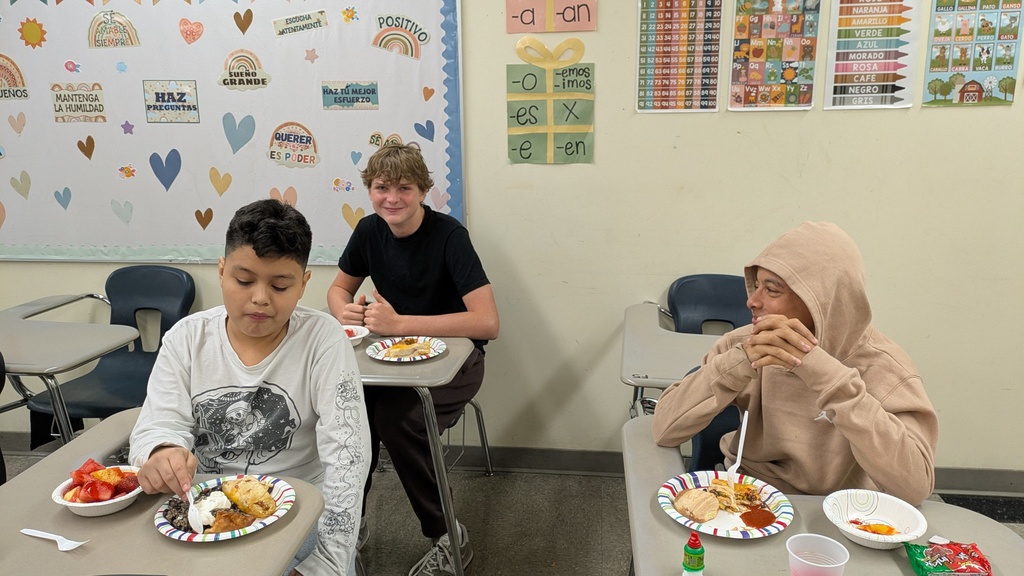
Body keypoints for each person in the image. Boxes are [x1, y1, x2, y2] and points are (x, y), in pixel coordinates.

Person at [129, 199, 370, 576]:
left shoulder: (323, 340)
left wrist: (328, 561)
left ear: (304, 284)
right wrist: (162, 450)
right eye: (244, 281)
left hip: (294, 506)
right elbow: (158, 422)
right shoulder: (187, 339)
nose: (260, 298)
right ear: (222, 271)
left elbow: (348, 458)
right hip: (198, 504)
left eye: (280, 285)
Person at [652, 221, 939, 506]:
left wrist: (825, 375)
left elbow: (913, 488)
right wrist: (737, 363)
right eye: (756, 286)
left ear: (821, 302)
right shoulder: (742, 345)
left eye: (772, 290)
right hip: (746, 497)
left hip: (840, 511)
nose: (752, 301)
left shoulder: (885, 367)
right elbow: (664, 429)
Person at [327, 144, 499, 576]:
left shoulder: (449, 236)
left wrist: (401, 323)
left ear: (423, 190)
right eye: (382, 187)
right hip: (388, 359)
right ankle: (349, 524)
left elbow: (487, 323)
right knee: (349, 413)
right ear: (370, 190)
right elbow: (337, 290)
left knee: (397, 420)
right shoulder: (369, 231)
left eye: (404, 187)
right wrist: (342, 309)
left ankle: (448, 536)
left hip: (457, 363)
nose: (392, 198)